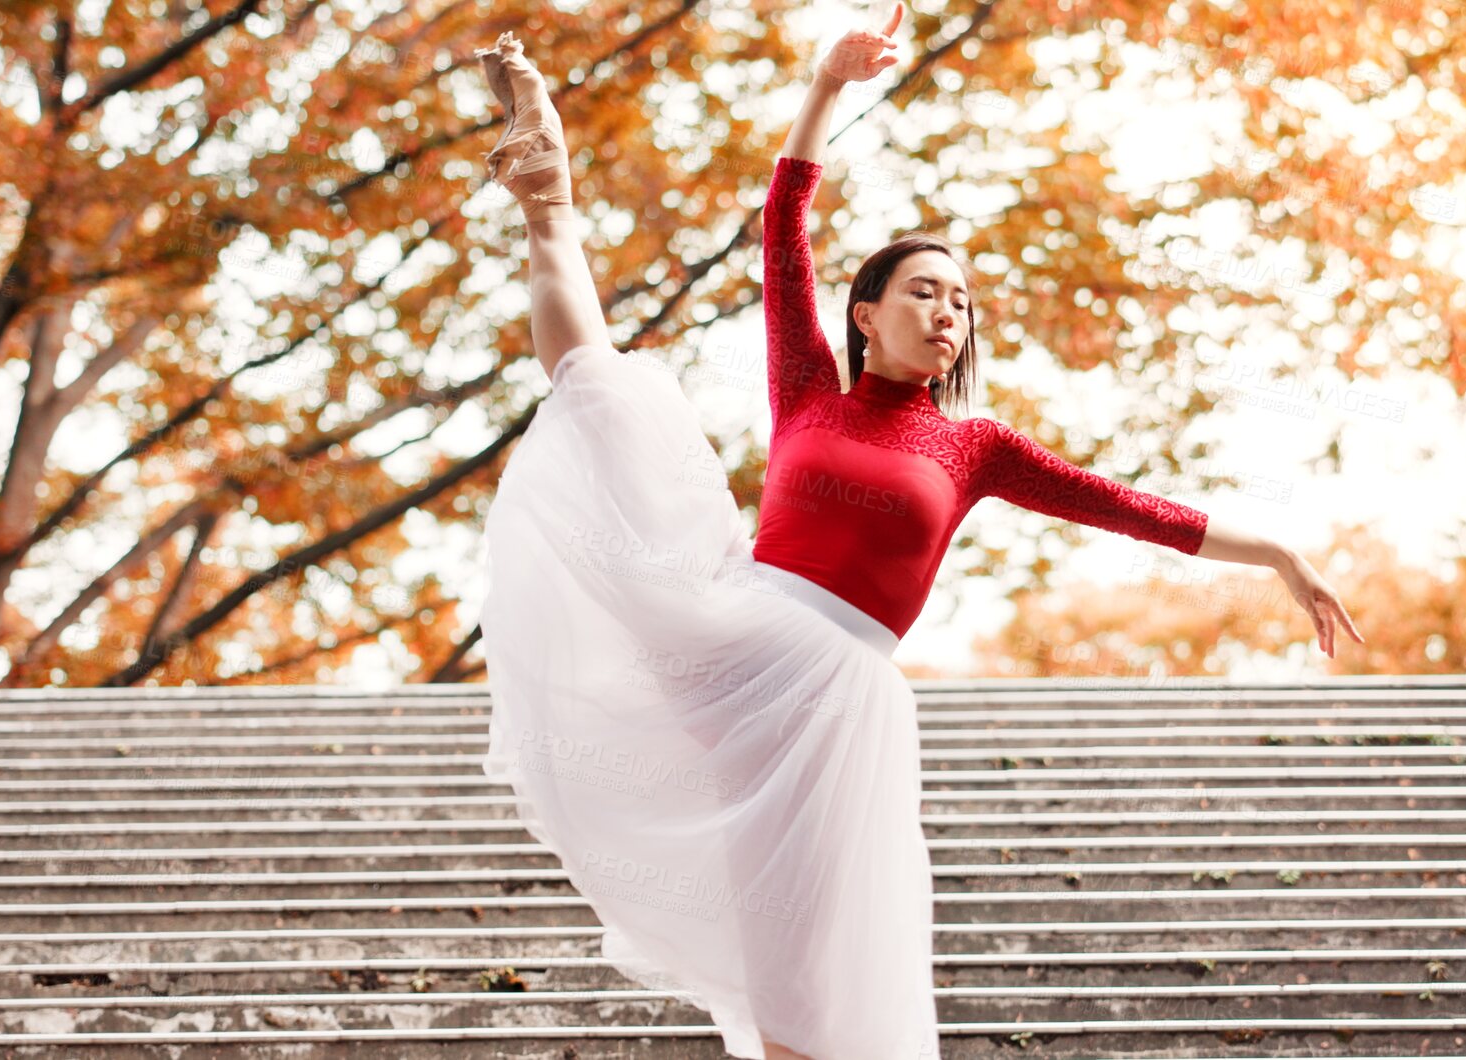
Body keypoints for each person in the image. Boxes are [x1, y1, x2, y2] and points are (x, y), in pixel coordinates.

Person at [472, 9, 1363, 1059]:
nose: (949, 314)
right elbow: (783, 228)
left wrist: (1281, 556)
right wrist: (825, 87)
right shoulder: (808, 387)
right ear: (866, 313)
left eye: (963, 304)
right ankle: (549, 203)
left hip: (842, 699)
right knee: (608, 404)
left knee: (801, 963)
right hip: (740, 636)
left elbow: (1132, 508)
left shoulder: (974, 447)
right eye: (926, 292)